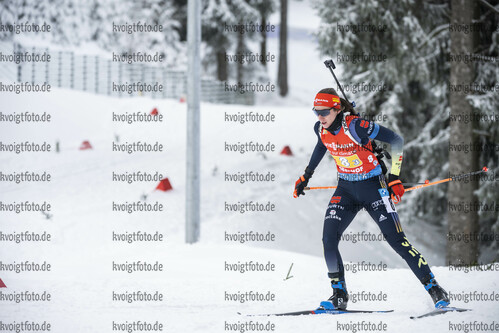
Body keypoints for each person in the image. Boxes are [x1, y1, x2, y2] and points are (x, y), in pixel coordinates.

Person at [293, 88, 450, 310]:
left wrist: (394, 177)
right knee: (328, 239)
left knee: (397, 241)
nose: (320, 116)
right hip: (346, 190)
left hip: (373, 188)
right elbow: (322, 145)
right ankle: (339, 294)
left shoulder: (356, 126)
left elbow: (396, 140)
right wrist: (306, 175)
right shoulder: (321, 128)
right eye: (316, 111)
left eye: (324, 112)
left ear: (337, 109)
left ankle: (435, 288)